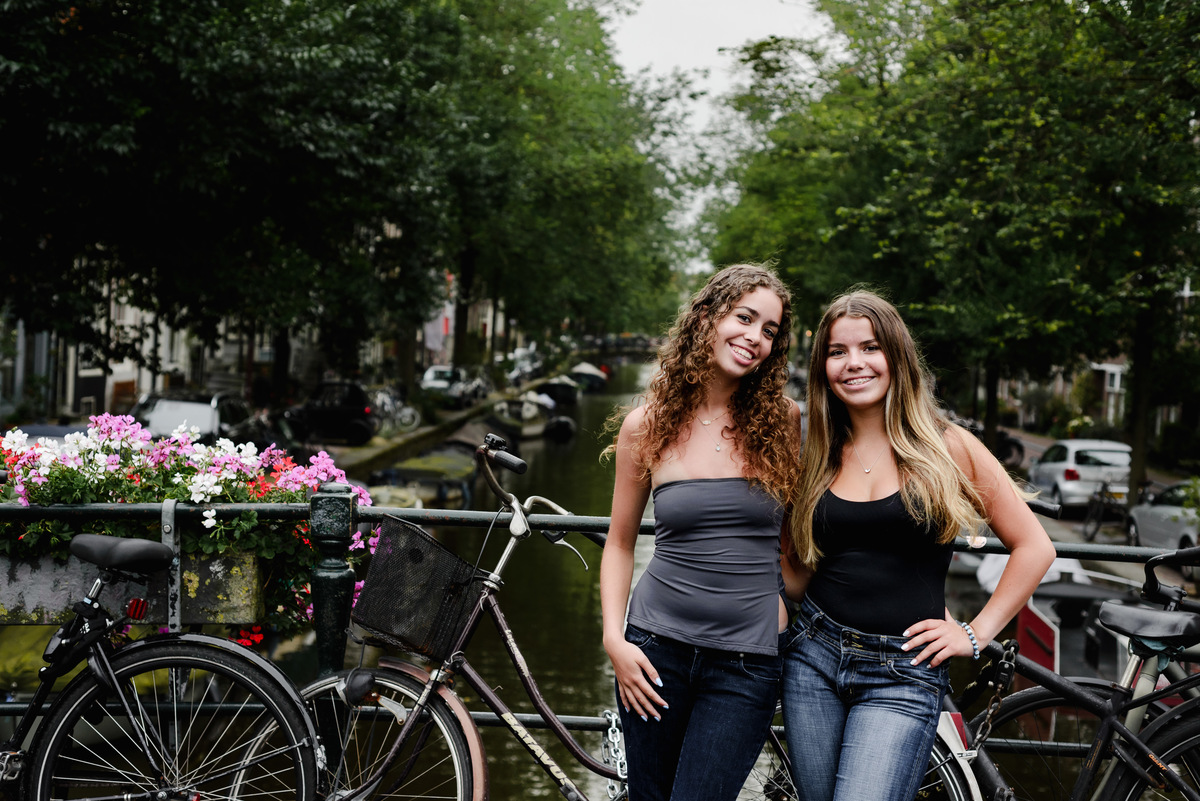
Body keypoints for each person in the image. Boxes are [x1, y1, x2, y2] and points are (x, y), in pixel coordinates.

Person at [779, 289, 1057, 801]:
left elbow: (1035, 547)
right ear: (822, 368)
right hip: (812, 659)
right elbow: (795, 576)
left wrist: (974, 635)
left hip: (902, 674)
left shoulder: (946, 445)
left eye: (869, 348)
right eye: (837, 352)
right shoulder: (815, 450)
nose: (853, 363)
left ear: (897, 357)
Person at [600, 263, 802, 801]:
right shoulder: (647, 425)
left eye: (769, 331)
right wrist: (613, 640)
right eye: (744, 318)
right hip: (654, 652)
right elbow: (620, 544)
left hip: (747, 662)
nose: (755, 338)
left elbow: (810, 534)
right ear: (709, 317)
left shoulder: (786, 423)